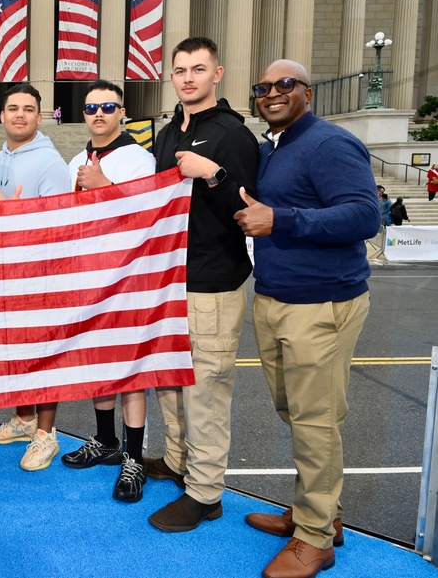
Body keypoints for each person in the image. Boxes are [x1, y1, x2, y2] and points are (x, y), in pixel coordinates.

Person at [235, 59, 378, 578]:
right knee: (296, 414)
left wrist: (281, 219)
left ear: (307, 93)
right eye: (263, 87)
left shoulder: (328, 143)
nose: (272, 93)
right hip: (275, 298)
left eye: (284, 85)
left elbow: (366, 215)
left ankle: (316, 539)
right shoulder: (275, 147)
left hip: (321, 304)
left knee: (315, 422)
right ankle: (320, 514)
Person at [145, 37, 260, 531]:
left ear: (218, 74)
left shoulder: (234, 136)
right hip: (170, 279)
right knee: (170, 382)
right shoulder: (169, 133)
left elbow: (250, 210)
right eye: (180, 70)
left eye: (198, 69)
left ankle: (206, 491)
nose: (188, 77)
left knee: (205, 390)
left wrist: (213, 174)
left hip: (212, 282)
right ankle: (176, 460)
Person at [60, 79, 157, 501]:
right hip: (90, 275)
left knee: (130, 368)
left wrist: (104, 186)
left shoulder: (139, 158)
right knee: (98, 363)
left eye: (107, 106)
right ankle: (106, 440)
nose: (98, 113)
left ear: (122, 112)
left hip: (128, 276)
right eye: (90, 107)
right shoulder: (76, 159)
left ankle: (134, 455)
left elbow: (147, 213)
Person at [0, 83, 71, 472]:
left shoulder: (49, 162)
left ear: (40, 116)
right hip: (7, 271)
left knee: (44, 354)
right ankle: (24, 418)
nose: (20, 114)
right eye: (13, 108)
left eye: (28, 109)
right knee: (17, 350)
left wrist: (17, 213)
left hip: (41, 273)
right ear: (1, 116)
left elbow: (58, 224)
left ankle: (46, 434)